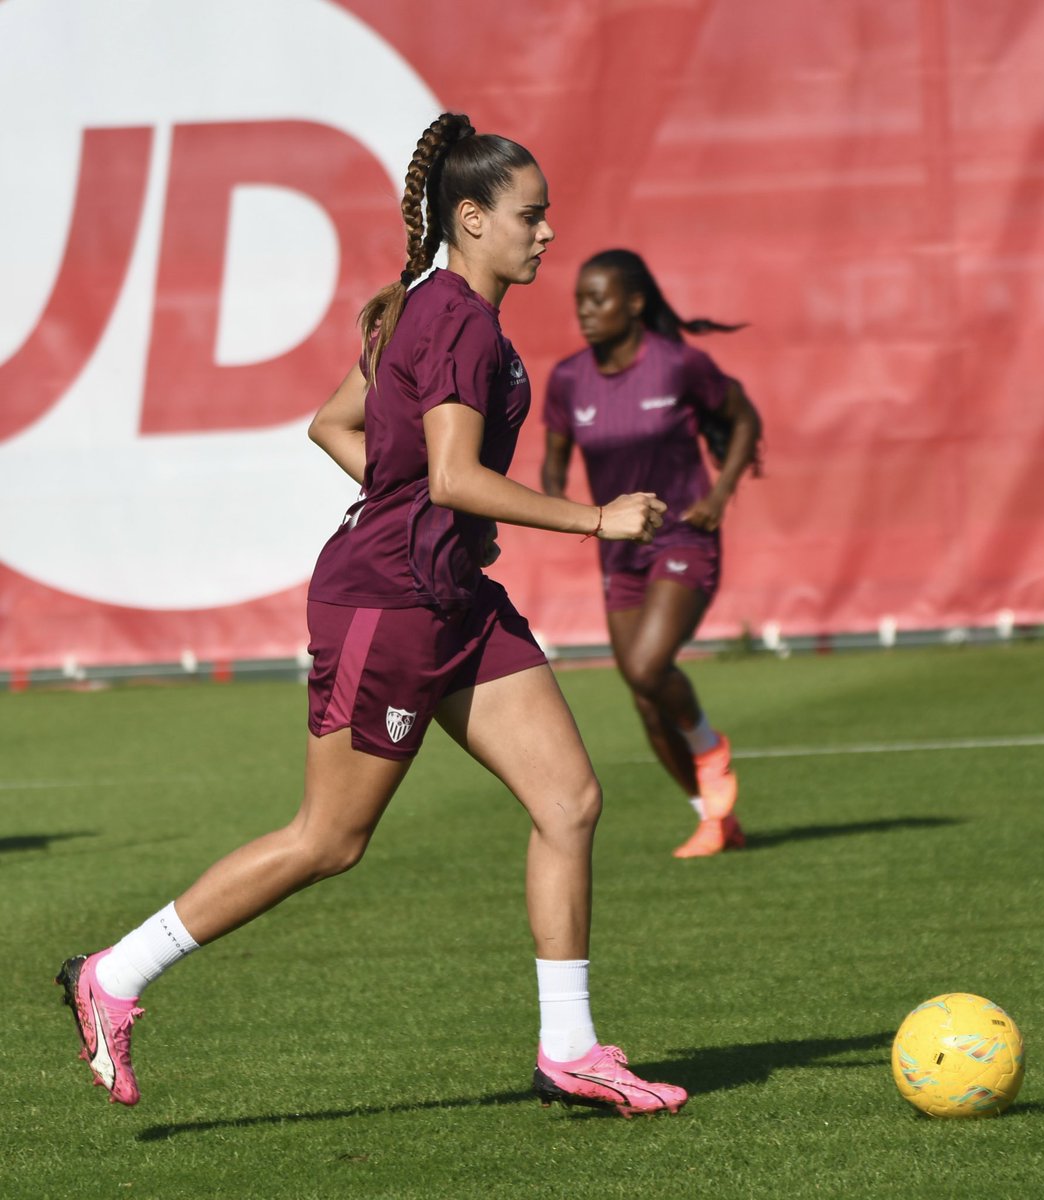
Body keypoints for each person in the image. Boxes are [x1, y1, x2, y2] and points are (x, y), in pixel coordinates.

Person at [56, 114, 688, 1119]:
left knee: (568, 802)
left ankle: (569, 1048)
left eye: (549, 216)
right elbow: (450, 472)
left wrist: (429, 511)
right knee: (329, 840)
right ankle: (115, 975)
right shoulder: (454, 322)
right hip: (386, 604)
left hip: (453, 602)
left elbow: (336, 427)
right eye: (532, 216)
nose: (548, 235)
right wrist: (590, 519)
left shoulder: (430, 307)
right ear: (471, 218)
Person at [541, 250, 762, 859]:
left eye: (598, 298)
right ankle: (713, 818)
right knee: (642, 692)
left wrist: (719, 495)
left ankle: (707, 744)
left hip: (684, 536)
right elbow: (553, 471)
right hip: (619, 550)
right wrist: (563, 508)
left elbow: (744, 418)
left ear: (635, 304)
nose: (585, 311)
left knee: (644, 666)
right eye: (580, 300)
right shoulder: (566, 380)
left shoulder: (679, 365)